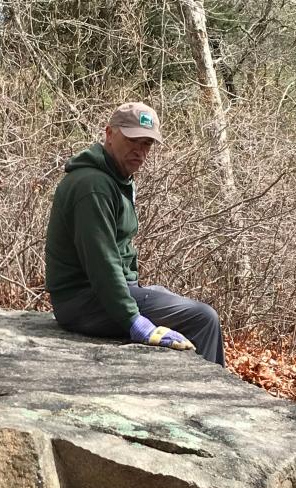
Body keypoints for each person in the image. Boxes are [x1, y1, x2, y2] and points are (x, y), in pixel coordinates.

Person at [45, 102, 225, 366]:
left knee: (178, 306)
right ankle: (211, 400)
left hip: (96, 297)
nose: (139, 151)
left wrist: (141, 295)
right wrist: (133, 320)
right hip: (83, 302)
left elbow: (120, 254)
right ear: (109, 134)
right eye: (132, 140)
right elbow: (102, 264)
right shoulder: (93, 186)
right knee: (203, 318)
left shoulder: (115, 179)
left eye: (146, 144)